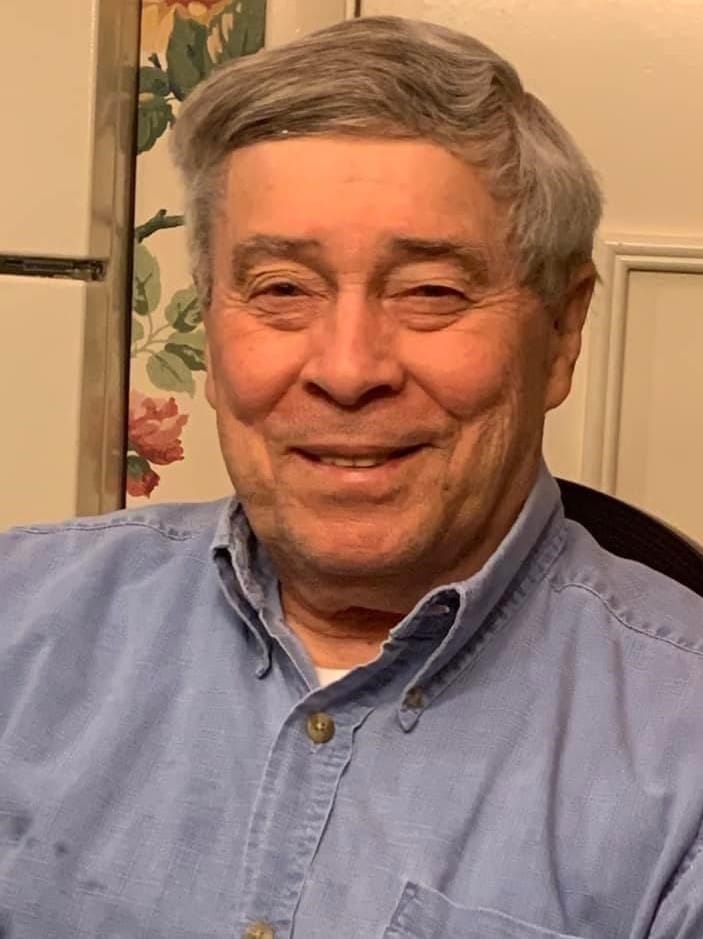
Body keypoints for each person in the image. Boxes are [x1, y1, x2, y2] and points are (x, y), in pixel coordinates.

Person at [1, 15, 702, 939]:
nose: (345, 368)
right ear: (209, 324)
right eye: (281, 289)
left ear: (562, 333)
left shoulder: (681, 749)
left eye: (431, 292)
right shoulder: (20, 618)